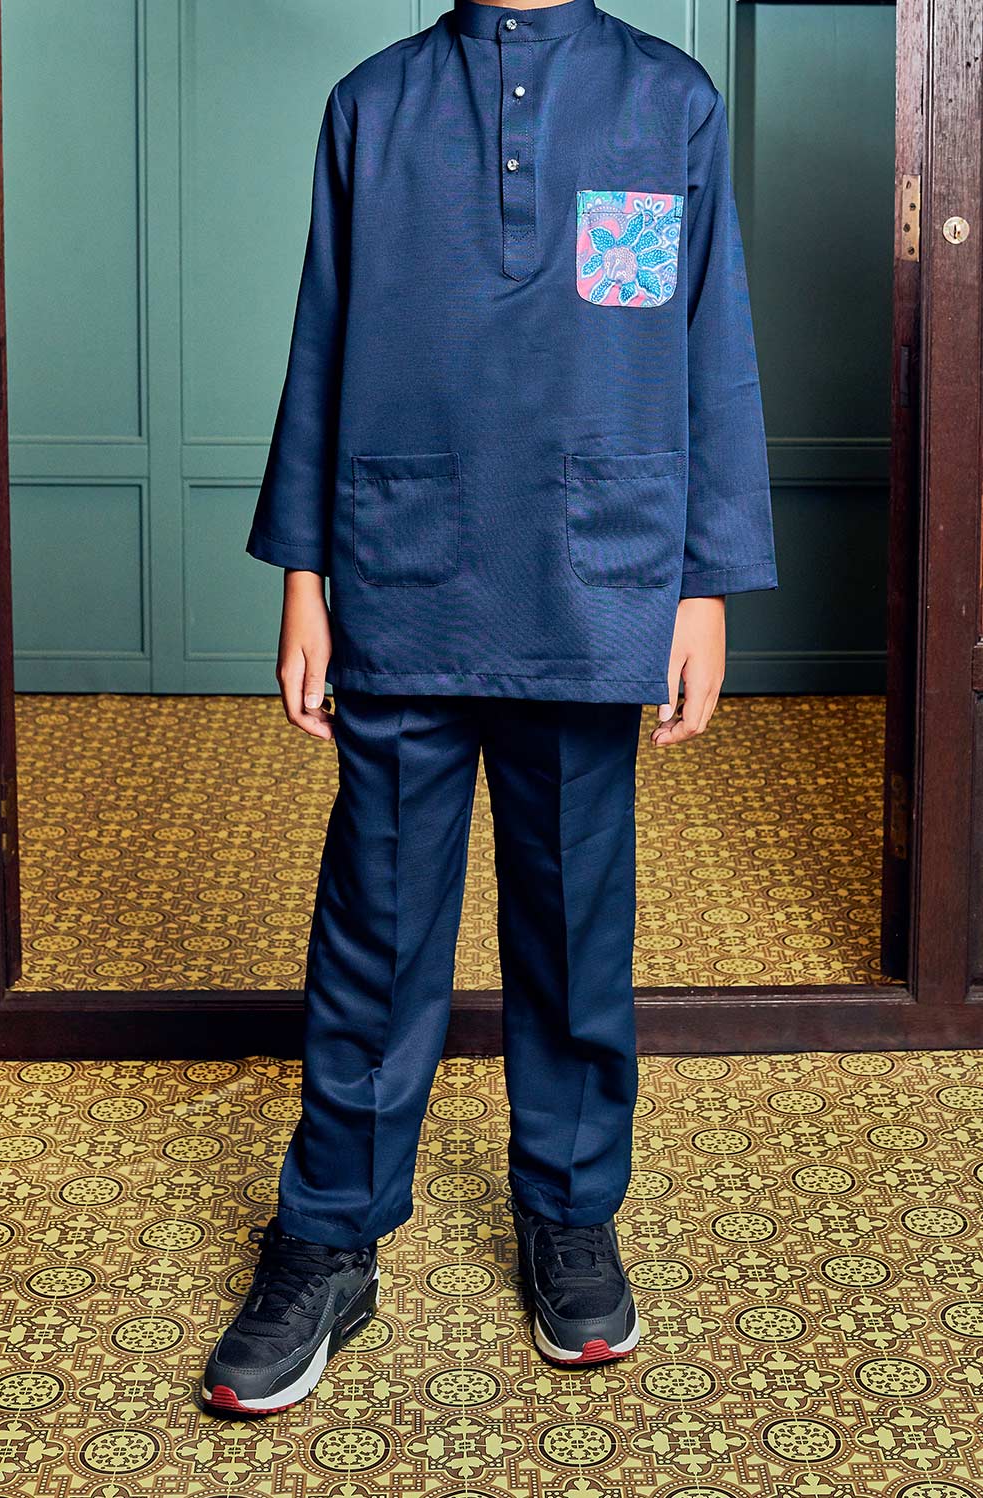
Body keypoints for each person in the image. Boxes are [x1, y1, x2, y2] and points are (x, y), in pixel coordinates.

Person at [200, 0, 777, 1416]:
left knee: (576, 919)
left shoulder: (668, 103)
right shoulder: (373, 103)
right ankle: (329, 1230)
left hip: (596, 575)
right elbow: (322, 341)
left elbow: (708, 345)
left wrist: (703, 586)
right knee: (377, 922)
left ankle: (570, 1211)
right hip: (401, 565)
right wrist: (305, 576)